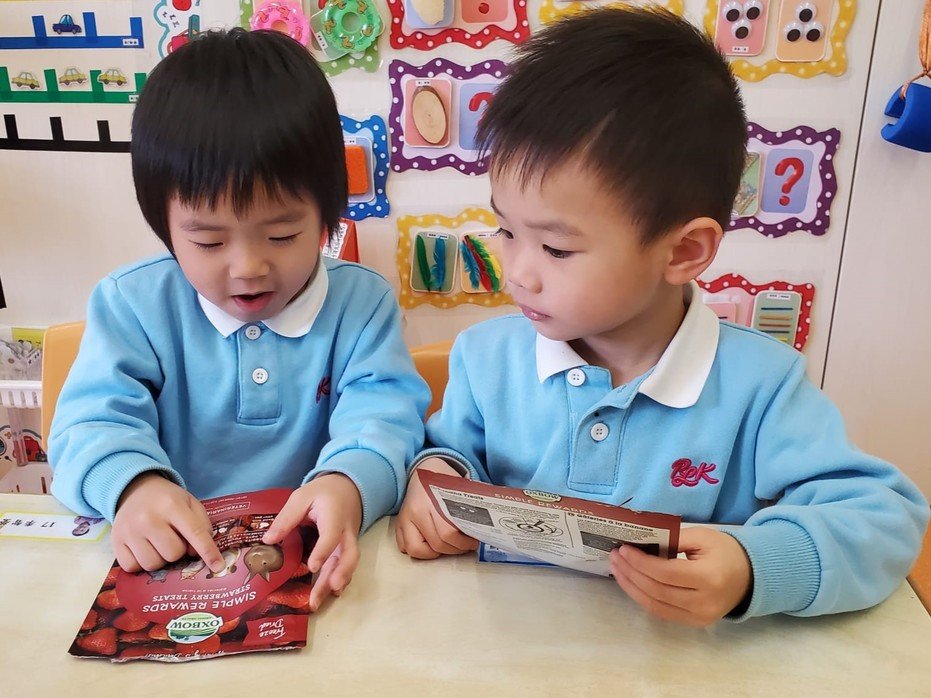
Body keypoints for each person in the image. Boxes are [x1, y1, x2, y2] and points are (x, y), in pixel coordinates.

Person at [395, 7, 929, 626]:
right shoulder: (486, 359)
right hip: (504, 649)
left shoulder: (761, 387)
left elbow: (885, 521)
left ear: (683, 251)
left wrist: (753, 565)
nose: (517, 272)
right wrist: (434, 476)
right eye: (507, 231)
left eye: (556, 249)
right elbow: (447, 454)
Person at [49, 29, 430, 610]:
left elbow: (385, 419)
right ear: (164, 226)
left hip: (314, 572)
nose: (248, 268)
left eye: (282, 235)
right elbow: (88, 424)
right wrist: (132, 486)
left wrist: (349, 483)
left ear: (329, 215)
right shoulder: (133, 303)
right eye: (208, 241)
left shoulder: (362, 304)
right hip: (175, 573)